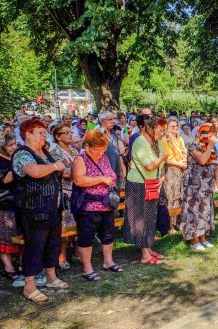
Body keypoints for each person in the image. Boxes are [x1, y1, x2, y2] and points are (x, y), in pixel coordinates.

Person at [12, 119, 69, 302]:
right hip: (32, 209)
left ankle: (51, 277)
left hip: (52, 207)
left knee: (53, 243)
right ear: (27, 133)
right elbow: (34, 171)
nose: (44, 136)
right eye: (40, 132)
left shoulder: (44, 151)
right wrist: (54, 166)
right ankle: (30, 286)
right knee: (34, 246)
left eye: (45, 133)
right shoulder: (22, 154)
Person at [72, 130, 122, 281]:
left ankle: (108, 261)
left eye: (103, 149)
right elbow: (79, 180)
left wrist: (109, 180)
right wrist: (101, 179)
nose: (100, 153)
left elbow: (111, 175)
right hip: (88, 206)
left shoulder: (104, 157)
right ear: (87, 147)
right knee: (86, 237)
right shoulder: (80, 159)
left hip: (106, 204)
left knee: (108, 235)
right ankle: (87, 268)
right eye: (97, 150)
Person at [124, 117, 167, 264]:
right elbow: (149, 165)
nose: (162, 133)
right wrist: (162, 157)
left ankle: (148, 248)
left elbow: (161, 162)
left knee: (150, 218)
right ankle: (144, 255)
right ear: (151, 128)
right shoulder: (139, 142)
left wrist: (162, 176)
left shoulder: (157, 141)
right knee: (141, 218)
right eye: (160, 130)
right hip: (138, 184)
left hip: (152, 183)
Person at [181, 123, 218, 251]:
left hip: (207, 184)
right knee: (194, 211)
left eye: (214, 134)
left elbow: (215, 163)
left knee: (205, 211)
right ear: (202, 133)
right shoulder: (193, 146)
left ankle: (203, 237)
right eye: (210, 134)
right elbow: (202, 160)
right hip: (193, 185)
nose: (213, 137)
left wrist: (217, 177)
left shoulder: (210, 147)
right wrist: (211, 146)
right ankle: (194, 240)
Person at [51, 124, 79, 270]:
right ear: (57, 136)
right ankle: (61, 257)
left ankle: (76, 252)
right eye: (65, 132)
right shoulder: (55, 151)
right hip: (63, 192)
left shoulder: (74, 149)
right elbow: (59, 172)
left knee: (77, 222)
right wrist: (77, 175)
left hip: (77, 190)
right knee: (64, 226)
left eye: (70, 132)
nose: (70, 134)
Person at [160, 118, 187, 235]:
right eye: (172, 127)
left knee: (178, 196)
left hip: (181, 170)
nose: (176, 128)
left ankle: (176, 221)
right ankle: (169, 224)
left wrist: (184, 163)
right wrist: (179, 164)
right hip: (171, 170)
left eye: (177, 126)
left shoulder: (180, 138)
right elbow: (165, 158)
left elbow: (184, 152)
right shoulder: (165, 139)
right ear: (167, 128)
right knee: (170, 197)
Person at [0, 132, 21, 280]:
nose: (14, 147)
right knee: (6, 235)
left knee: (20, 234)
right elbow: (6, 179)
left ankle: (21, 263)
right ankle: (8, 266)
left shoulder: (15, 156)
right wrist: (20, 166)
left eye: (15, 144)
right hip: (5, 201)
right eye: (10, 145)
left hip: (20, 200)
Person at [98, 111, 123, 188]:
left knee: (116, 197)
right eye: (110, 119)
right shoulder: (98, 134)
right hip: (104, 174)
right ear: (102, 121)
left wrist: (121, 170)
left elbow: (117, 153)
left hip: (116, 172)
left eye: (114, 119)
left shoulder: (114, 134)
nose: (113, 121)